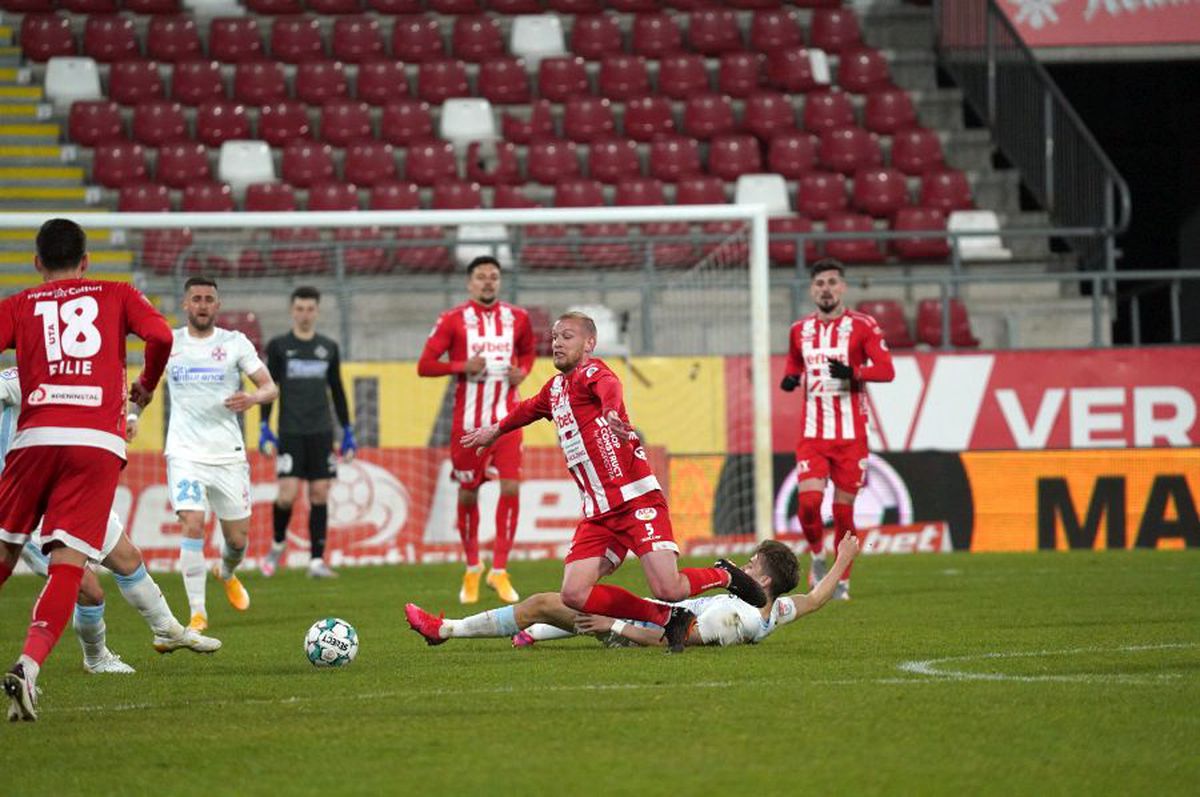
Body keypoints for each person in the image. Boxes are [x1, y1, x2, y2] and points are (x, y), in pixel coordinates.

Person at [460, 312, 768, 653]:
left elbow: (610, 386)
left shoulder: (593, 373)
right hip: (598, 514)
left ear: (589, 343)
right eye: (555, 337)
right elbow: (528, 408)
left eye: (567, 337)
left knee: (670, 588)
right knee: (573, 594)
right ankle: (667, 617)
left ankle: (724, 574)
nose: (557, 343)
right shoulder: (555, 389)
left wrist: (610, 410)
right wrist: (495, 430)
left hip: (636, 500)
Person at [0, 218, 176, 720]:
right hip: (95, 444)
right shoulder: (116, 294)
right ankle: (28, 667)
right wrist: (146, 385)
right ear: (86, 261)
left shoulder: (19, 305)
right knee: (69, 567)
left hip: (34, 440)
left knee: (4, 555)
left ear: (37, 262)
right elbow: (161, 335)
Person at [1, 367, 221, 675]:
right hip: (27, 506)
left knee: (128, 558)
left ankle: (167, 630)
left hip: (71, 492)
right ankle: (96, 658)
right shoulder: (21, 377)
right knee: (89, 590)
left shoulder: (83, 375)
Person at [405, 534, 860, 649]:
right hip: (647, 612)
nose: (743, 567)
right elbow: (816, 599)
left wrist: (614, 626)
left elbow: (673, 637)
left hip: (638, 626)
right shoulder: (773, 610)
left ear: (763, 581)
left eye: (751, 565)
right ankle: (537, 633)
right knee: (559, 606)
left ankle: (444, 630)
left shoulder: (735, 617)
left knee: (544, 602)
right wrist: (843, 558)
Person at [153, 276, 277, 632]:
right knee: (192, 522)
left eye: (209, 299)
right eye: (197, 298)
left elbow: (270, 387)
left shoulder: (234, 342)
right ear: (185, 304)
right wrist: (131, 417)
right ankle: (197, 613)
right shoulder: (170, 343)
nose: (203, 304)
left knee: (237, 540)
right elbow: (145, 385)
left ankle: (226, 571)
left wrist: (252, 398)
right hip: (185, 452)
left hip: (227, 454)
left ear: (217, 306)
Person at [417, 255, 534, 604]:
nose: (487, 282)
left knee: (511, 487)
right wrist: (461, 365)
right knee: (468, 493)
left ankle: (499, 570)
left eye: (493, 276)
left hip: (507, 421)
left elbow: (528, 353)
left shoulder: (518, 317)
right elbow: (425, 365)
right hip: (468, 425)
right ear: (470, 283)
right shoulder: (452, 320)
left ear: (500, 281)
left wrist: (523, 372)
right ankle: (472, 566)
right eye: (481, 276)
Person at [780, 259, 894, 600]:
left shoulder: (863, 325)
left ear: (842, 287)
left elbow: (886, 370)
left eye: (832, 282)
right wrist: (790, 377)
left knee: (843, 511)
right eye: (820, 283)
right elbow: (794, 361)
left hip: (851, 437)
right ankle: (817, 556)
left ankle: (841, 579)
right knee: (809, 504)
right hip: (813, 435)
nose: (826, 289)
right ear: (811, 290)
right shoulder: (799, 330)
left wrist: (854, 372)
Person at [258, 286, 356, 579]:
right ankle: (278, 544)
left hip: (321, 431)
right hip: (290, 431)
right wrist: (264, 426)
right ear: (292, 311)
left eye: (310, 309)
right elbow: (270, 388)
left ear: (317, 311)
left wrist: (347, 430)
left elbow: (336, 390)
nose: (305, 314)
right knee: (286, 495)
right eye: (300, 309)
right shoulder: (279, 346)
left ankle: (316, 561)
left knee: (320, 493)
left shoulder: (328, 347)